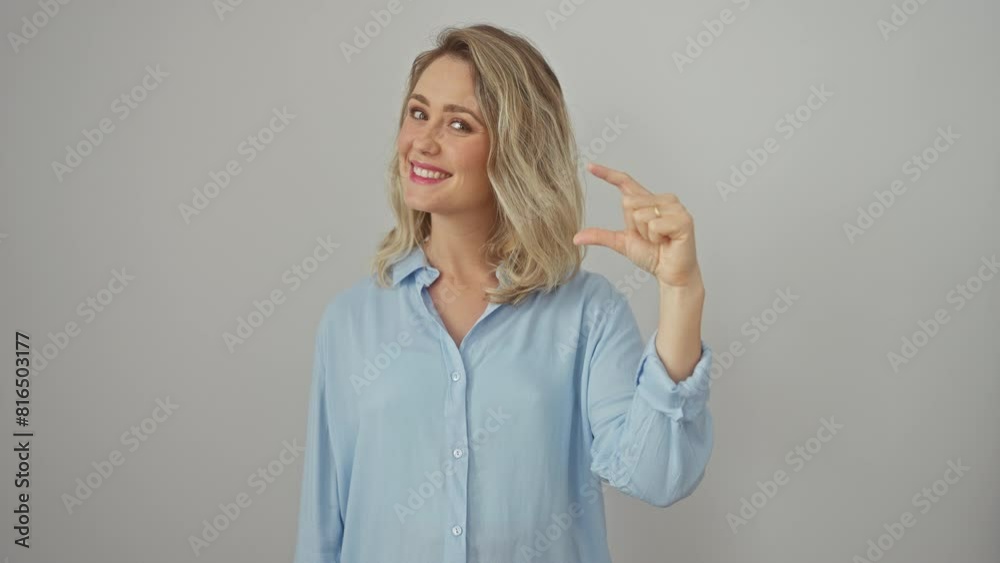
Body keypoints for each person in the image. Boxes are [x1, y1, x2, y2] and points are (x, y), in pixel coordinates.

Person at [293, 23, 713, 563]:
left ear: (515, 149)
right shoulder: (351, 319)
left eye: (459, 124)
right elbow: (324, 522)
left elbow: (657, 477)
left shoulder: (586, 312)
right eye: (418, 113)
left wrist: (681, 292)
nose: (423, 141)